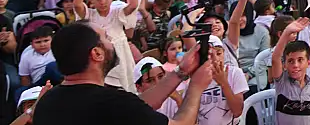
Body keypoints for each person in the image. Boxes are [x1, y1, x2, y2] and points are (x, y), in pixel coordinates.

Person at [32, 21, 213, 125]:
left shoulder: (47, 102)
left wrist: (180, 72)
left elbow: (135, 108)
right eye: (106, 38)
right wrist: (196, 86)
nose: (111, 41)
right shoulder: (114, 103)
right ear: (97, 53)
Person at [270, 17, 310, 124]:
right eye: (290, 61)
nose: (295, 65)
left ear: (308, 63)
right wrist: (286, 33)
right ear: (284, 65)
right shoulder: (282, 81)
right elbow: (275, 59)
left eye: (300, 60)